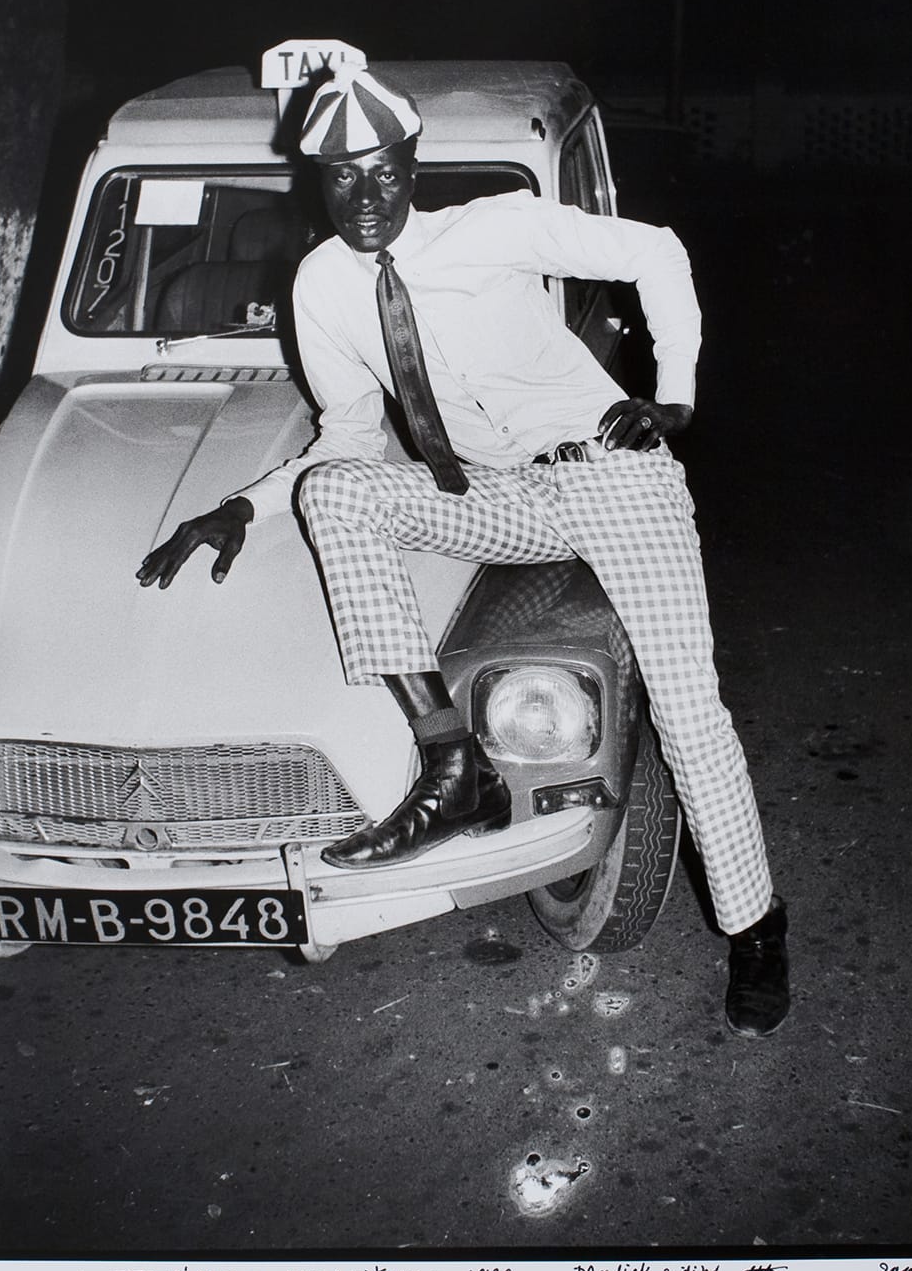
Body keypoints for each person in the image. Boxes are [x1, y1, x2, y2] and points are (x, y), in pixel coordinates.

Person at [137, 61, 790, 1037]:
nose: (364, 197)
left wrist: (677, 394)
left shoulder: (493, 227)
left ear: (410, 162)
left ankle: (755, 928)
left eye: (381, 172)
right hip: (498, 495)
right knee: (336, 491)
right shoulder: (321, 286)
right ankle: (453, 766)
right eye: (340, 177)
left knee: (689, 712)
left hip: (613, 477)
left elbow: (656, 251)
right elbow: (349, 438)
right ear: (317, 178)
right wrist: (244, 505)